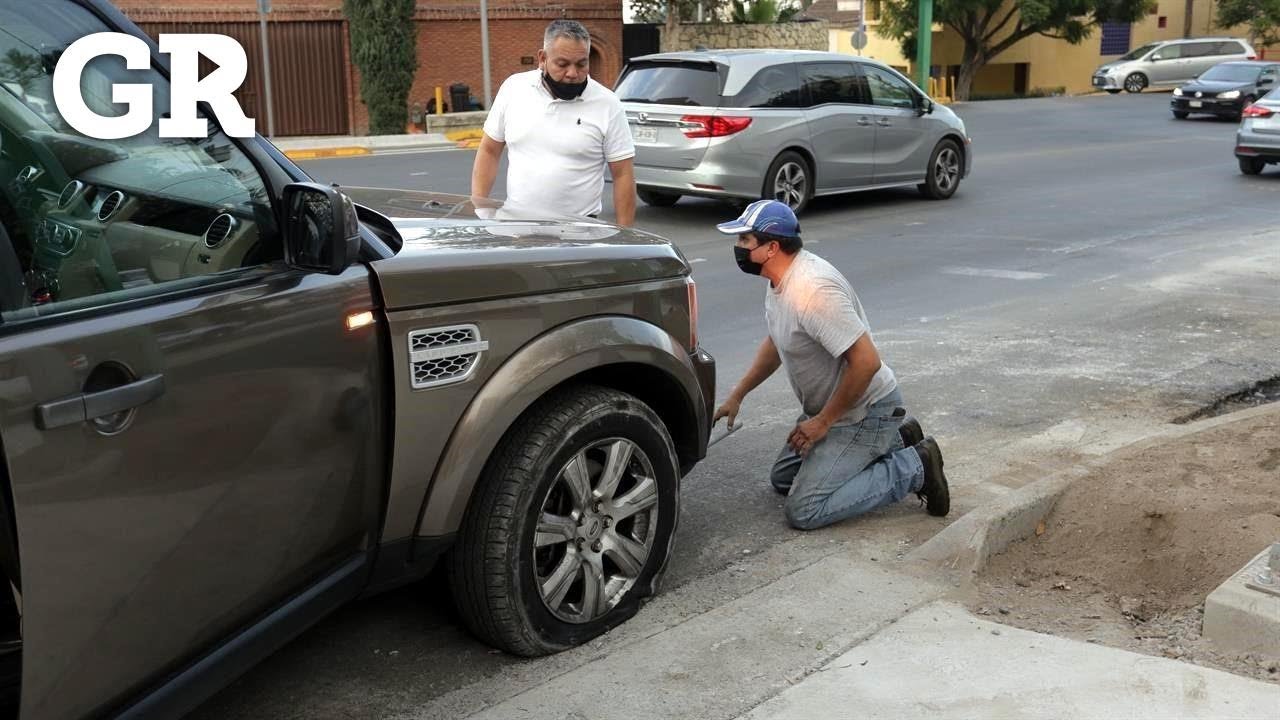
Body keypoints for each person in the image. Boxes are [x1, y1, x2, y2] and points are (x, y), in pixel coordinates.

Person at [711, 200, 950, 530]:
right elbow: (777, 341)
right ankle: (899, 438)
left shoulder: (813, 291)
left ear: (772, 248)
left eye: (744, 240)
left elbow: (866, 362)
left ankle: (916, 466)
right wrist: (738, 395)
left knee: (804, 509)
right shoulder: (779, 280)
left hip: (863, 412)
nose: (738, 248)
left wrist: (823, 422)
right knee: (783, 478)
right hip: (835, 411)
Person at [470, 19, 636, 225]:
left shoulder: (608, 104)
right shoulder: (514, 89)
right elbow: (489, 150)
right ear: (543, 58)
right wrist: (480, 209)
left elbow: (623, 174)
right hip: (516, 227)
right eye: (562, 64)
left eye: (581, 64)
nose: (573, 73)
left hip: (580, 231)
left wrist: (625, 234)